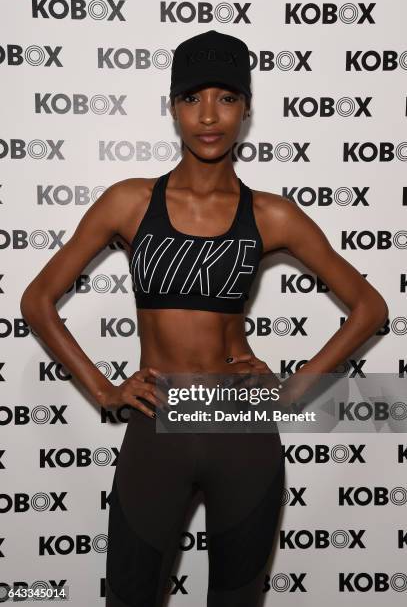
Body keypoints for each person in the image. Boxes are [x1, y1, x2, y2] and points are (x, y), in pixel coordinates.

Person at [20, 29, 388, 607]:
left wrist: (293, 391)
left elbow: (370, 308)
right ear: (172, 108)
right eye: (192, 98)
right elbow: (37, 299)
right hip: (159, 419)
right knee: (129, 597)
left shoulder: (272, 214)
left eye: (227, 97)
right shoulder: (130, 201)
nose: (209, 115)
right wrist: (103, 389)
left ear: (246, 108)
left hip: (240, 428)